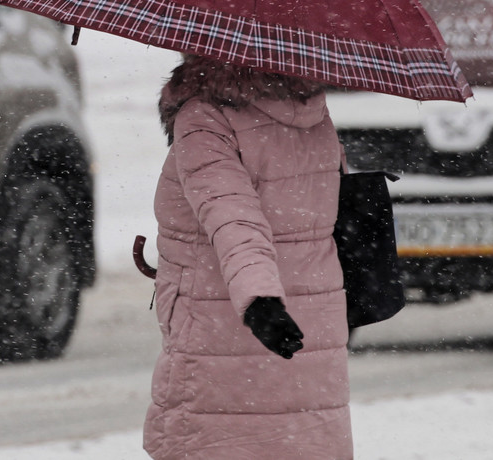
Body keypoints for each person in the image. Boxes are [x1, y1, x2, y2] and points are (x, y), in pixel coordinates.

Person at [143, 54, 352, 459]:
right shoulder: (312, 112)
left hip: (226, 330)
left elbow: (233, 217)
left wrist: (260, 300)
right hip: (312, 335)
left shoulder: (206, 117)